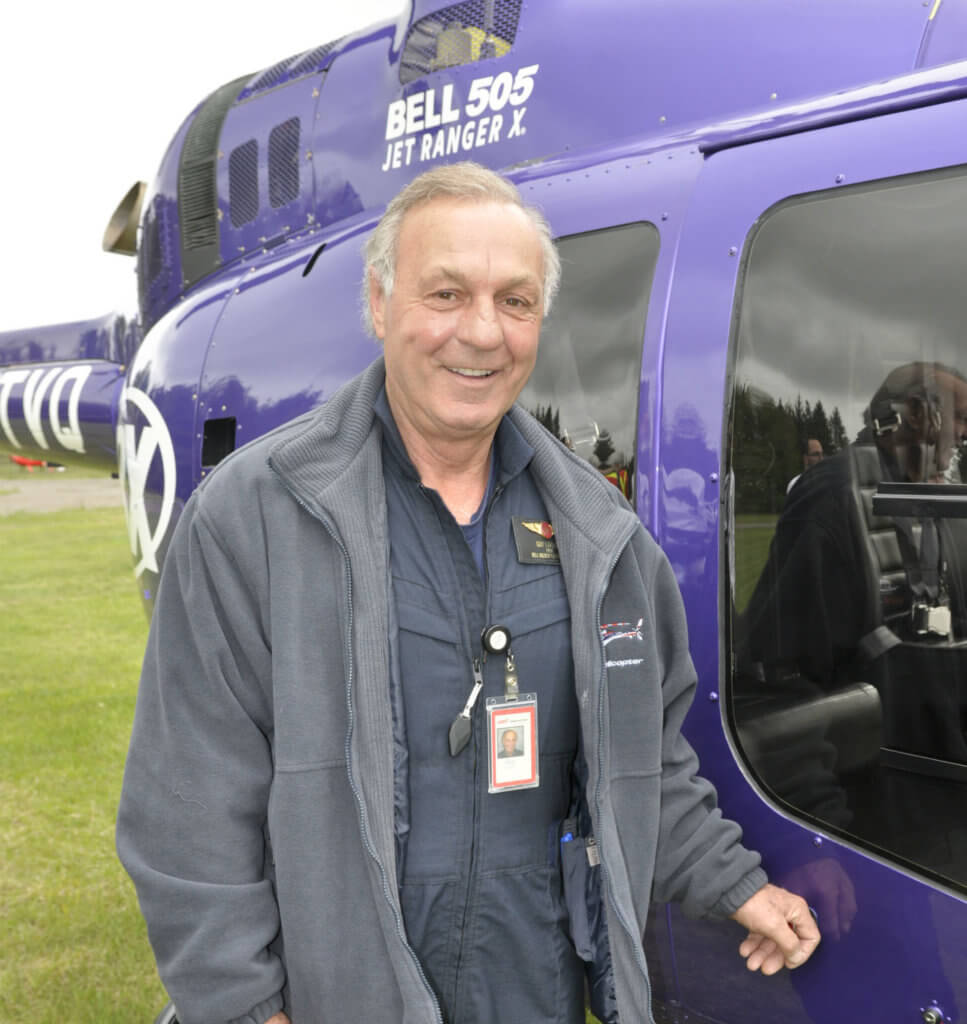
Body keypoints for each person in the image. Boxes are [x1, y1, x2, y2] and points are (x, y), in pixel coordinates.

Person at [117, 162, 819, 1024]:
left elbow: (643, 761)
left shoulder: (602, 536)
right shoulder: (251, 519)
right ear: (380, 305)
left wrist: (734, 884)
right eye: (445, 294)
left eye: (514, 302)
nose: (482, 333)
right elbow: (186, 814)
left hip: (532, 993)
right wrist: (239, 1008)